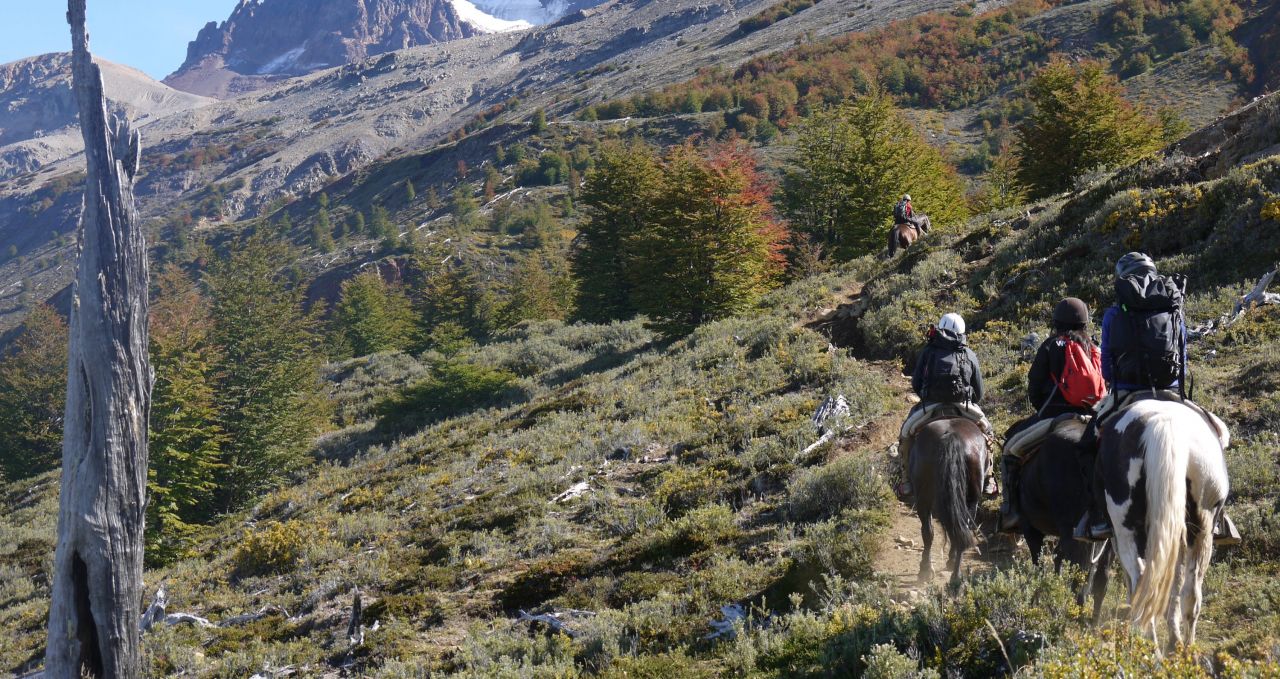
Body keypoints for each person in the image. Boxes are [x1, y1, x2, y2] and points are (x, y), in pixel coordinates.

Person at [1074, 253, 1238, 545]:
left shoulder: (1114, 313)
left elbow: (1107, 368)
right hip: (1172, 392)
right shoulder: (1173, 306)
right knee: (1217, 435)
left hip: (1126, 392)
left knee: (1089, 444)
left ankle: (1097, 516)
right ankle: (1219, 517)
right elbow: (1183, 358)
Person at [998, 297, 1104, 534]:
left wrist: (1043, 409)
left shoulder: (1050, 345)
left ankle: (1011, 510)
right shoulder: (1095, 347)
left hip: (1054, 417)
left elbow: (1034, 387)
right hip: (1093, 418)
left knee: (1009, 451)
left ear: (1057, 321)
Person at [897, 312, 995, 496]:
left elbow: (916, 384)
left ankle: (906, 480)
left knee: (905, 434)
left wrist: (928, 397)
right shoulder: (969, 354)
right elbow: (979, 392)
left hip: (931, 406)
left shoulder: (928, 351)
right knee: (988, 433)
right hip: (963, 407)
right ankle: (989, 478)